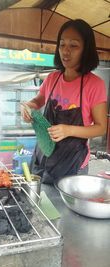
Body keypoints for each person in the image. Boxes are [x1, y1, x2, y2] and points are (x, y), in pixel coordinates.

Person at [21, 19, 107, 184]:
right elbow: (38, 100)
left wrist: (68, 130)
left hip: (72, 164)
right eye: (62, 45)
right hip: (43, 158)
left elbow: (101, 127)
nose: (66, 51)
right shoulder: (53, 77)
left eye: (73, 46)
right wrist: (29, 107)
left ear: (86, 49)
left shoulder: (94, 84)